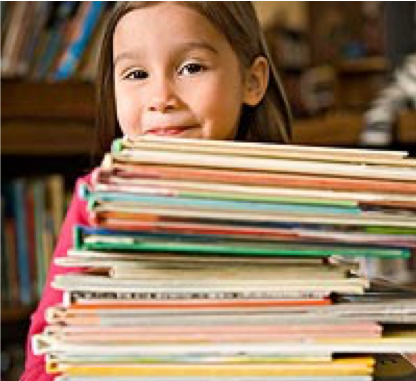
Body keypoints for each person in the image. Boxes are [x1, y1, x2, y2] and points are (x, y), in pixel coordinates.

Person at [20, 1, 292, 380]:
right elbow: (45, 350)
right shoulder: (98, 201)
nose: (161, 98)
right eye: (135, 73)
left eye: (191, 68)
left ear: (252, 81)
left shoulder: (296, 200)